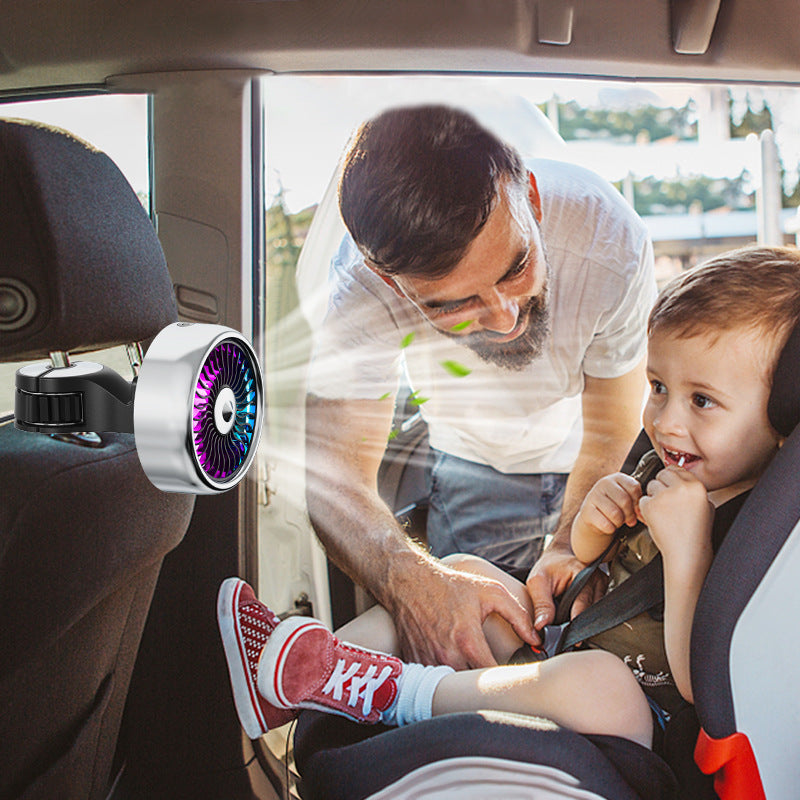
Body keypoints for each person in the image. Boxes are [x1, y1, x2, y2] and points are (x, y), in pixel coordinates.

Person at [221, 245, 800, 748]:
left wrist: (688, 553)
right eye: (658, 388)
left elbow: (707, 682)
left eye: (702, 401)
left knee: (604, 687)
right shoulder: (664, 463)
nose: (666, 421)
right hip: (566, 643)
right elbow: (589, 554)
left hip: (641, 708)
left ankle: (400, 693)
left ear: (782, 415)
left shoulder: (765, 536)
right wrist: (599, 517)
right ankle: (303, 668)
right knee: (468, 578)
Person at [305, 104, 657, 668]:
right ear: (387, 281)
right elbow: (333, 476)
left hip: (590, 464)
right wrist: (409, 581)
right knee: (472, 646)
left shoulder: (608, 238)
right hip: (473, 465)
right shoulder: (360, 294)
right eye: (454, 303)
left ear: (533, 203)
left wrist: (570, 543)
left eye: (516, 267)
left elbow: (614, 427)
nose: (504, 317)